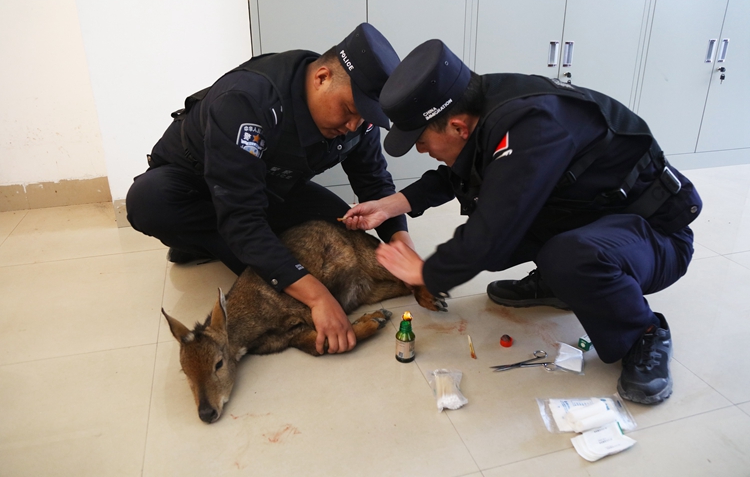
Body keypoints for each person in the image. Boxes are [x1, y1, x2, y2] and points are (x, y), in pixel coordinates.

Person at [342, 39, 702, 404]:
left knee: (550, 251)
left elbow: (494, 227)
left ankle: (644, 333)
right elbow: (466, 174)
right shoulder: (482, 106)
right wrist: (391, 205)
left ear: (457, 127)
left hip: (656, 237)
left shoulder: (532, 126)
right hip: (602, 219)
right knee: (499, 237)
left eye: (421, 141)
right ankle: (557, 283)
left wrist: (426, 272)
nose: (422, 150)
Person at [126, 23, 413, 355]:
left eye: (364, 117)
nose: (353, 126)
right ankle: (205, 242)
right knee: (150, 201)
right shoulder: (248, 101)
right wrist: (317, 297)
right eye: (349, 111)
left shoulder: (357, 119)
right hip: (194, 182)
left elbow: (374, 181)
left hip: (268, 186)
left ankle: (244, 248)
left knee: (336, 235)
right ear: (322, 78)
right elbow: (241, 216)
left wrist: (401, 244)